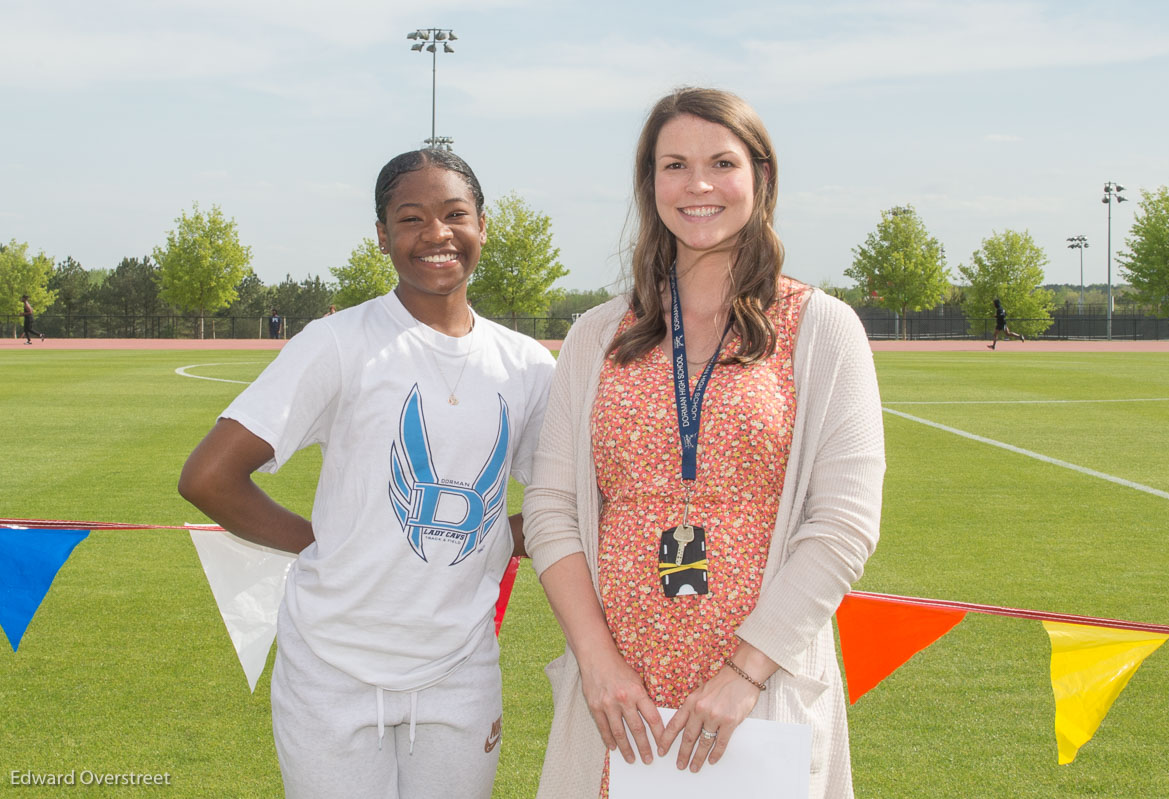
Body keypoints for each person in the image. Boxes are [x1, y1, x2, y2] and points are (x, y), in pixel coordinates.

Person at [523, 88, 886, 799]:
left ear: (761, 177)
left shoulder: (822, 328)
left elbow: (843, 524)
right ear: (649, 182)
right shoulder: (597, 336)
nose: (697, 185)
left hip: (761, 692)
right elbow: (551, 508)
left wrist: (745, 672)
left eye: (722, 162)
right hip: (617, 700)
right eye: (674, 164)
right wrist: (597, 663)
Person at [178, 148, 556, 799]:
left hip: (460, 667)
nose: (436, 233)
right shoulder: (339, 342)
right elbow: (209, 476)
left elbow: (568, 501)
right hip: (332, 666)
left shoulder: (526, 366)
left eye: (454, 213)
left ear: (483, 225)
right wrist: (320, 541)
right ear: (382, 236)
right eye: (411, 218)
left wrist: (495, 534)